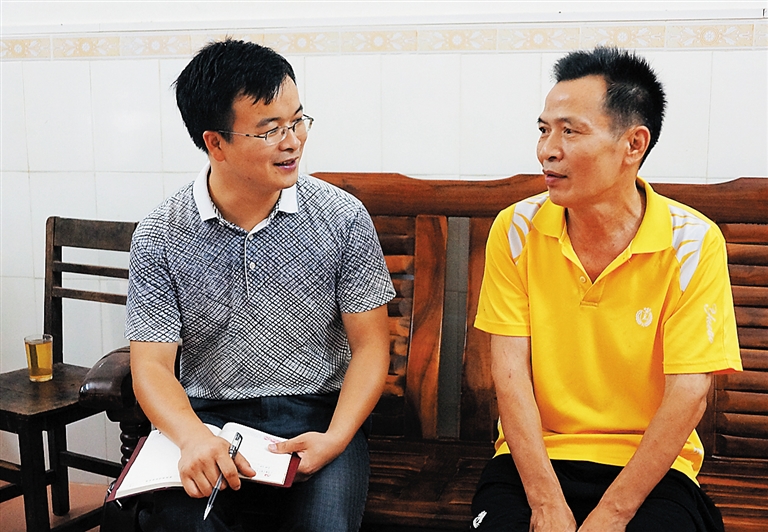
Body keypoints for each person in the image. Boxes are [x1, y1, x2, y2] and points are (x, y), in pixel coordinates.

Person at [125, 38, 395, 532]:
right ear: (216, 143)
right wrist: (192, 437)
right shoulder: (161, 233)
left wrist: (336, 437)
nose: (292, 142)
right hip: (207, 422)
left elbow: (372, 346)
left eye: (297, 121)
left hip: (319, 418)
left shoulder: (340, 217)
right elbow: (152, 366)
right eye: (270, 130)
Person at [470, 47, 742, 532]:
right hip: (533, 461)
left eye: (570, 131)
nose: (547, 150)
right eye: (544, 129)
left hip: (651, 469)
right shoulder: (516, 229)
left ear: (633, 144)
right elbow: (509, 374)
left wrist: (613, 514)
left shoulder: (693, 243)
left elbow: (689, 392)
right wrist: (546, 504)